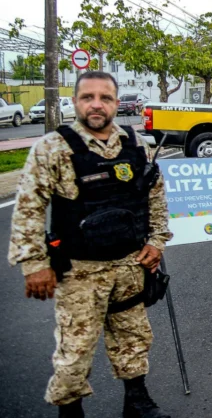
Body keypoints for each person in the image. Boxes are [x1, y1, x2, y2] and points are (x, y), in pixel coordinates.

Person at [8, 71, 173, 418]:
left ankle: (137, 401)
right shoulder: (53, 148)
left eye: (105, 98)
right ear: (75, 102)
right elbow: (29, 207)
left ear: (116, 103)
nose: (96, 105)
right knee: (75, 348)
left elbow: (154, 196)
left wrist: (157, 242)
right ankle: (71, 410)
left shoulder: (135, 144)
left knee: (134, 337)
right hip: (80, 270)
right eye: (88, 97)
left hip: (130, 265)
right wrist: (35, 264)